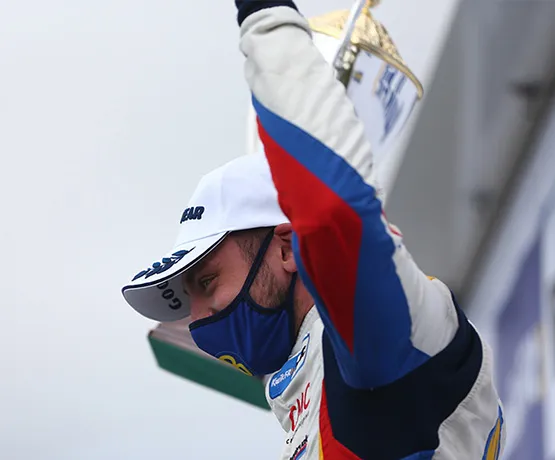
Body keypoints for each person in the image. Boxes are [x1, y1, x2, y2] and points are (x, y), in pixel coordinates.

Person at [122, 1, 506, 458]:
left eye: (207, 282)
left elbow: (331, 215)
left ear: (287, 248)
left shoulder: (384, 339)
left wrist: (263, 16)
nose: (199, 318)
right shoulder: (318, 381)